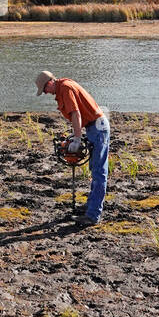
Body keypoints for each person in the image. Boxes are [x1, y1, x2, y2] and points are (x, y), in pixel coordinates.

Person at [34, 70, 109, 226]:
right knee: (94, 169)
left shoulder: (66, 88)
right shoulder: (64, 87)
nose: (46, 94)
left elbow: (76, 114)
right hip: (93, 127)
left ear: (49, 83)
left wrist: (77, 138)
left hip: (97, 127)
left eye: (45, 90)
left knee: (99, 171)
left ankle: (93, 215)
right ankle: (91, 205)